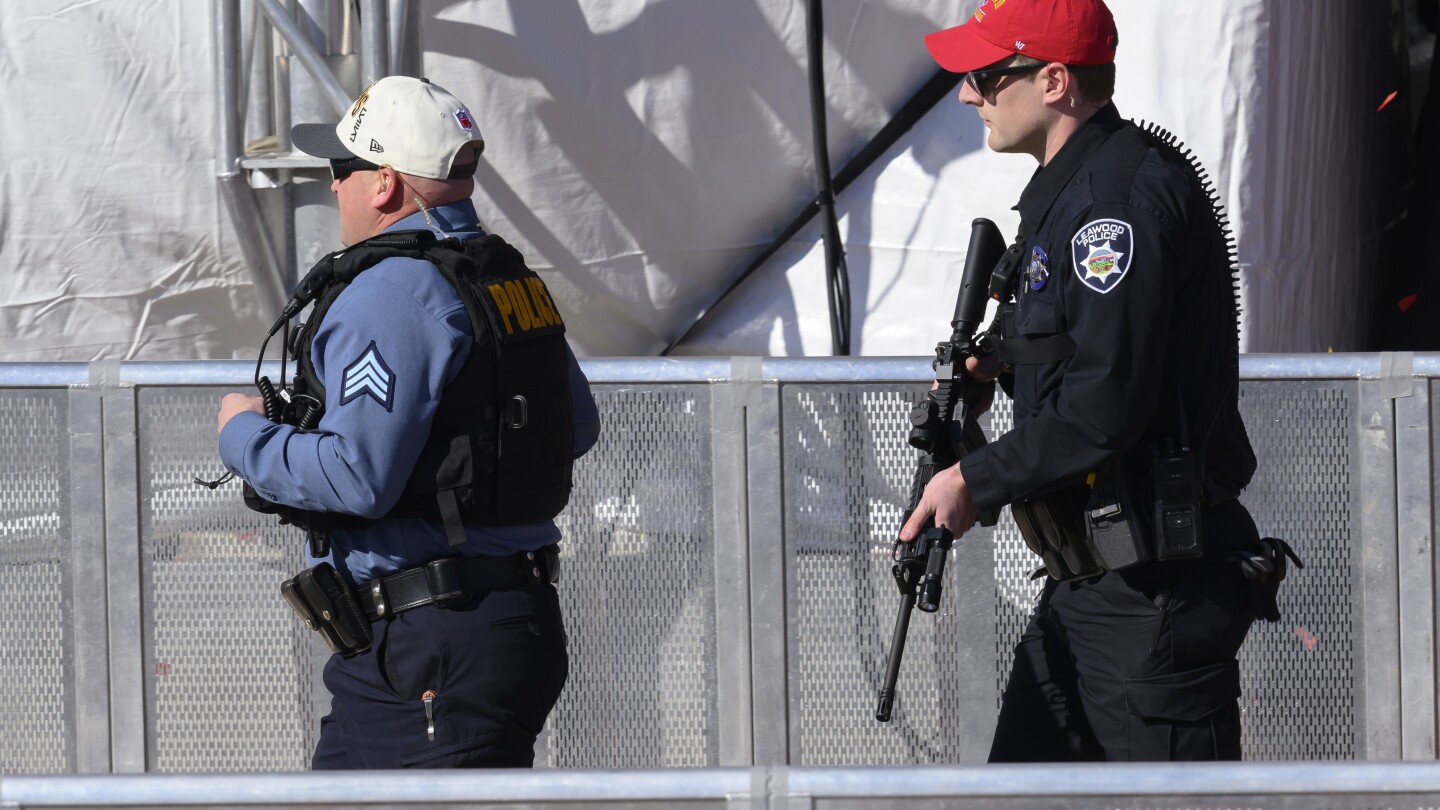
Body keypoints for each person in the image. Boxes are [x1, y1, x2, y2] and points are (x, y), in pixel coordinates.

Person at [900, 0, 1280, 761]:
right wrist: (998, 368)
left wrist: (974, 480)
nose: (969, 94)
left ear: (1052, 81)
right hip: (1089, 589)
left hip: (1151, 599)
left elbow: (1106, 409)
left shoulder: (1115, 207)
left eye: (984, 74)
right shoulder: (1073, 191)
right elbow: (1084, 351)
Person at [215, 75, 600, 769]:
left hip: (435, 644)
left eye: (342, 169)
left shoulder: (391, 292)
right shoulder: (504, 275)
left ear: (384, 185)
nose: (334, 187)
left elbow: (357, 477)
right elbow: (579, 423)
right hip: (497, 626)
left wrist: (243, 435)